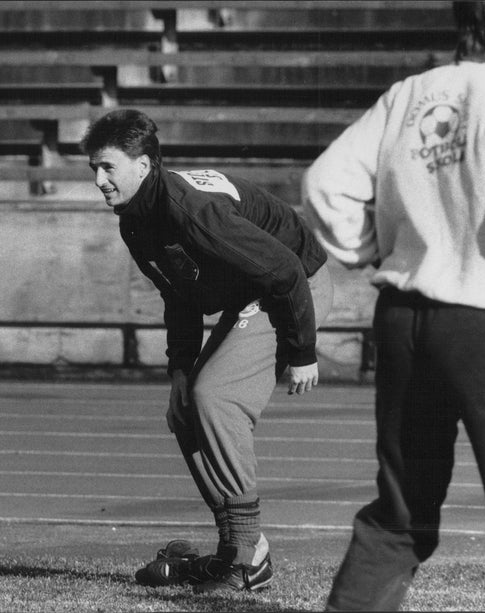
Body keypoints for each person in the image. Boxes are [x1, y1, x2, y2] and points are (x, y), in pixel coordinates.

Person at [82, 109, 333, 593]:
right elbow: (178, 294)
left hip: (296, 285)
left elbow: (285, 271)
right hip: (257, 286)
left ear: (145, 164)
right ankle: (236, 546)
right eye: (93, 168)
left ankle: (248, 555)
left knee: (216, 397)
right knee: (185, 409)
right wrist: (179, 370)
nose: (98, 180)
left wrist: (303, 351)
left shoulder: (191, 209)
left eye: (108, 167)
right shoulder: (136, 218)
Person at [302, 2, 485, 610]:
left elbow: (324, 184)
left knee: (401, 512)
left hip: (403, 314)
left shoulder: (410, 94)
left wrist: (371, 249)